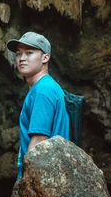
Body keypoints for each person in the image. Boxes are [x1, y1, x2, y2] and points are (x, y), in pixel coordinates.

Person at [6, 32, 70, 179]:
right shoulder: (46, 87)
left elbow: (39, 142)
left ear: (45, 57)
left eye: (29, 53)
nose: (22, 58)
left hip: (42, 178)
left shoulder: (43, 90)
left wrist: (27, 184)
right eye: (18, 54)